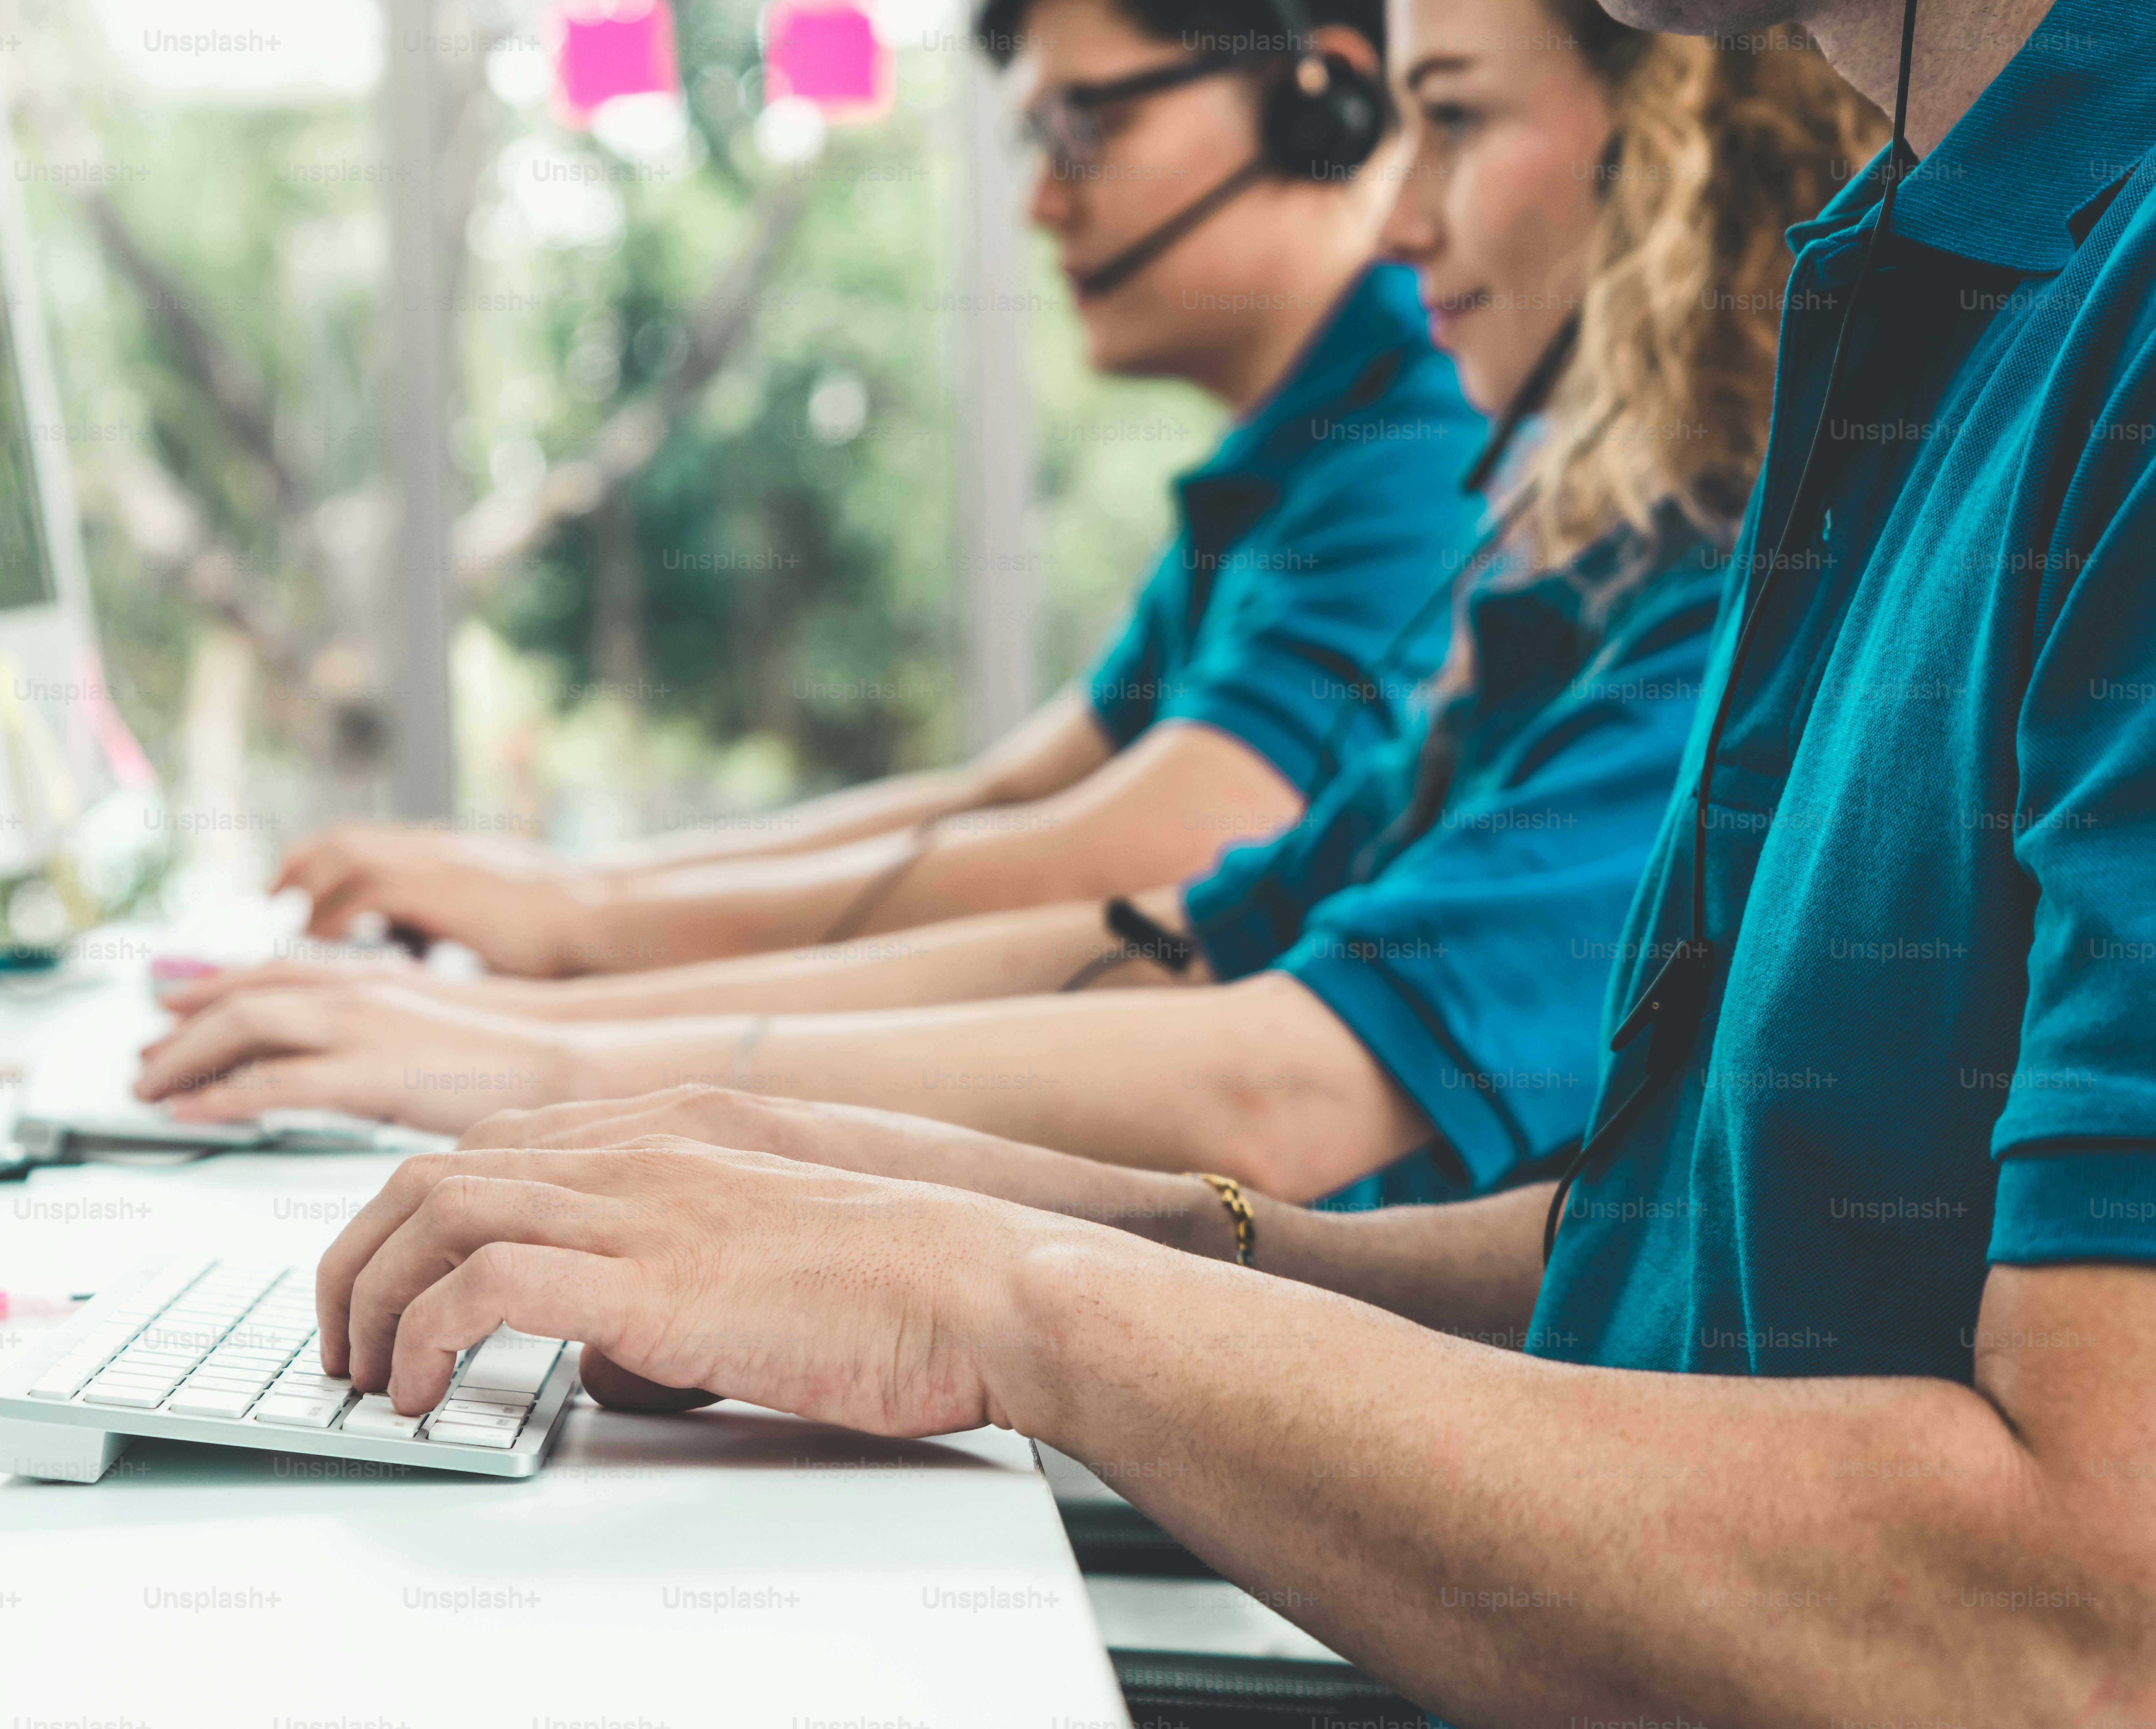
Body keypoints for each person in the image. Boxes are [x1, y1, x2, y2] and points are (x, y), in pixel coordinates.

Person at [304, 0, 2156, 1716]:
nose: (1394, 219)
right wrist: (940, 1205)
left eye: (1449, 122)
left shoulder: (2093, 347)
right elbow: (1682, 1278)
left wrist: (994, 1293)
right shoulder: (1935, 308)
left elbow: (2080, 1624)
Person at [137, 7, 1875, 1216]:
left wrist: (563, 1025)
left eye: (1083, 126)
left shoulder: (1467, 473)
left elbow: (1241, 1033)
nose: (1402, 216)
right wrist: (554, 988)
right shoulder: (1553, 577)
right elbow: (1113, 886)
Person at [270, 0, 1489, 978]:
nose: (1039, 203)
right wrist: (568, 893)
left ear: (1319, 100)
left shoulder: (1423, 434)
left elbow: (1150, 851)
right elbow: (1010, 795)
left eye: (1082, 133)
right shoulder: (1291, 459)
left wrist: (591, 934)